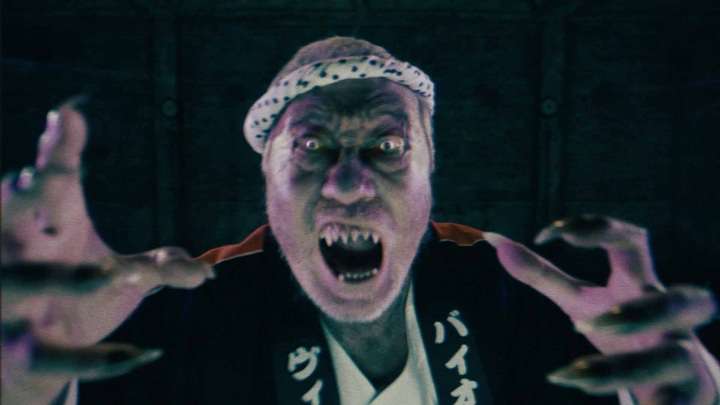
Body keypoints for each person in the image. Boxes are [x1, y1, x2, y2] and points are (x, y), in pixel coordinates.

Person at [2, 36, 719, 405]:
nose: (349, 184)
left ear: (430, 175)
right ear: (267, 179)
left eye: (389, 146)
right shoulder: (187, 319)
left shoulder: (519, 304)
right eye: (312, 147)